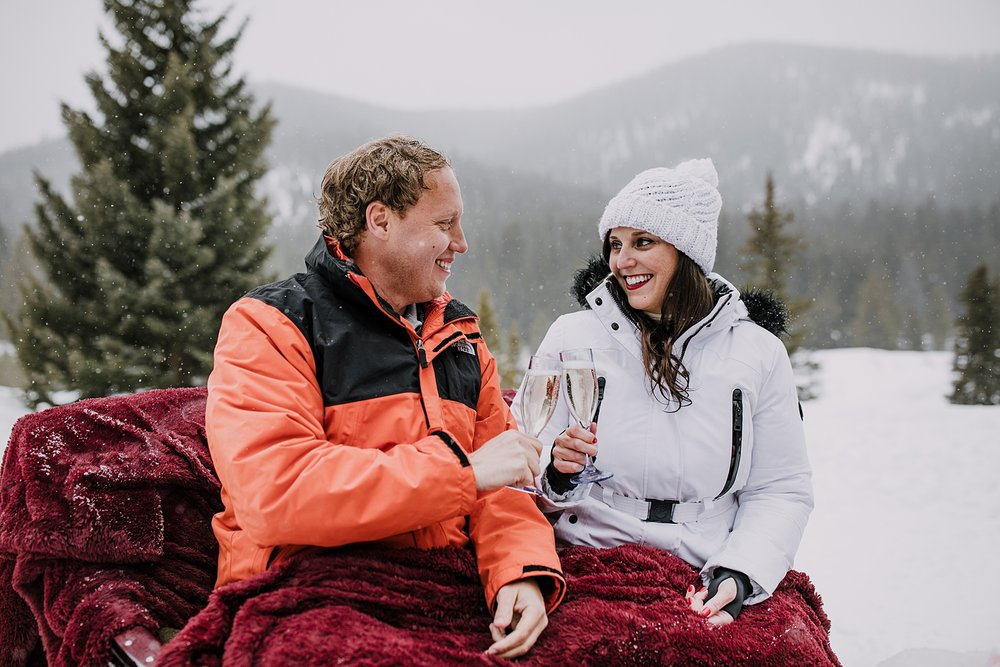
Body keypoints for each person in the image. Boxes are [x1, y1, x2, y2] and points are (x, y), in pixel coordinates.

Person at [206, 135, 565, 658]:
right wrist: (461, 474)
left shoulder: (461, 335)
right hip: (306, 592)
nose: (461, 243)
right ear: (380, 220)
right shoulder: (271, 324)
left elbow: (503, 483)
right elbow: (278, 494)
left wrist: (520, 574)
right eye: (444, 224)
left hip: (441, 590)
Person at [514, 158, 813, 626]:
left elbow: (781, 488)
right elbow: (519, 465)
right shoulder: (572, 337)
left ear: (686, 252)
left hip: (709, 565)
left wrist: (739, 570)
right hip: (590, 554)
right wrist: (559, 472)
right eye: (615, 244)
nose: (621, 261)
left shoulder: (758, 352)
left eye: (643, 242)